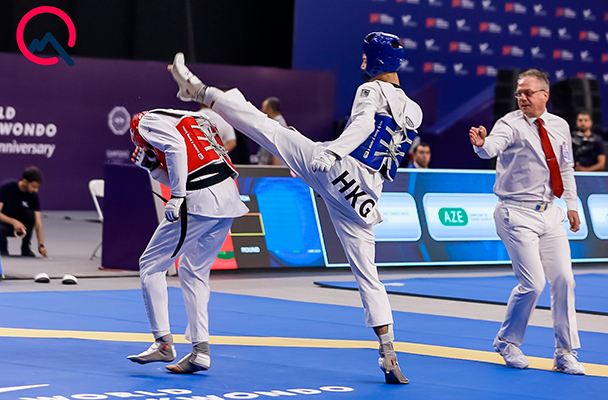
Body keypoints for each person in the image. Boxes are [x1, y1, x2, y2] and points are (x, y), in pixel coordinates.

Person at [168, 31, 422, 384]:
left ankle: (199, 91)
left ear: (378, 59)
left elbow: (364, 125)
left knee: (269, 130)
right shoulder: (414, 110)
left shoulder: (370, 90)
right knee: (368, 275)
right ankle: (388, 352)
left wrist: (332, 152)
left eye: (366, 55)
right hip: (365, 199)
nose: (362, 61)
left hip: (339, 171)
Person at [469, 69, 585, 375]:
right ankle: (507, 341)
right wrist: (481, 144)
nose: (521, 98)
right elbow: (492, 147)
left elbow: (566, 167)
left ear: (544, 95)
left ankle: (565, 352)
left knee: (565, 279)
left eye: (527, 93)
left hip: (550, 212)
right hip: (516, 213)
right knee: (533, 283)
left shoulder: (559, 125)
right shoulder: (509, 124)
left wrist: (572, 205)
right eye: (519, 93)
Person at [127, 109, 248, 374]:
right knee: (193, 272)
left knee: (151, 265)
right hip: (229, 196)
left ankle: (163, 343)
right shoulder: (190, 121)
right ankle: (200, 352)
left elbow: (175, 148)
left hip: (201, 198)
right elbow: (185, 163)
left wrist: (177, 197)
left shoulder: (145, 122)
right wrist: (152, 167)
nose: (150, 148)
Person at [0, 166, 48, 258]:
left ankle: (26, 248)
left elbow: (38, 222)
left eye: (37, 187)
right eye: (34, 186)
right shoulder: (6, 188)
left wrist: (41, 245)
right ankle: (3, 249)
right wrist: (14, 222)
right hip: (3, 224)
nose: (36, 190)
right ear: (25, 182)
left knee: (30, 214)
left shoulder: (33, 195)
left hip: (20, 228)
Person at [255, 97, 287, 165]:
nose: (261, 111)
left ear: (270, 110)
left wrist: (274, 170)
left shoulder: (278, 126)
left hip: (269, 169)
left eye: (263, 108)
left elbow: (277, 152)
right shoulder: (273, 124)